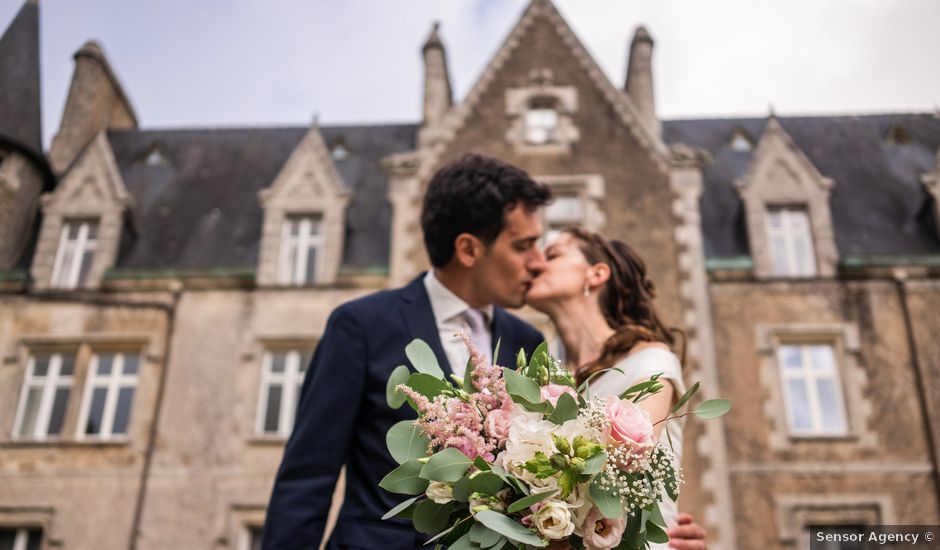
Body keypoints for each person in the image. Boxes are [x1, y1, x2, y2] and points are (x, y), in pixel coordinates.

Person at [264, 154, 709, 549]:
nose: (536, 261)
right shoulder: (361, 326)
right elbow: (307, 478)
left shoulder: (530, 346)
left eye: (542, 246)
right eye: (523, 245)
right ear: (469, 248)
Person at [527, 227, 702, 550]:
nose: (535, 264)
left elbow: (618, 478)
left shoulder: (650, 362)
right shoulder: (538, 372)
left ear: (596, 274)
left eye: (553, 255)